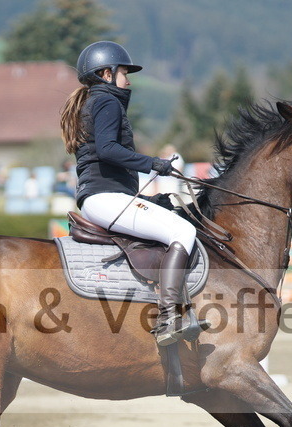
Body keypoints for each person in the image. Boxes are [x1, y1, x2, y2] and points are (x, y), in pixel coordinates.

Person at [60, 40, 205, 347]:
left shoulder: (96, 100)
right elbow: (109, 150)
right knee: (183, 229)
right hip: (106, 198)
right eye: (124, 72)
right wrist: (154, 164)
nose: (129, 79)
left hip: (103, 198)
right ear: (106, 74)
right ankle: (168, 317)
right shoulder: (106, 101)